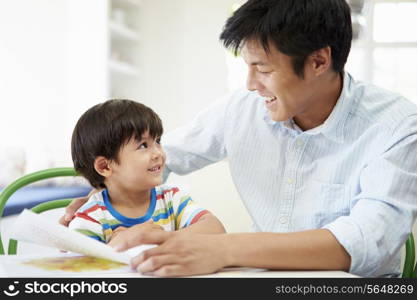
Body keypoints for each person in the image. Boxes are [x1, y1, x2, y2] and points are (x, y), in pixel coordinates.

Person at [61, 0, 417, 277]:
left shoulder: (395, 125)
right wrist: (106, 193)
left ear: (319, 61)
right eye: (246, 66)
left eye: (262, 69)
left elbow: (366, 240)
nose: (250, 84)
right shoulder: (243, 110)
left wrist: (222, 250)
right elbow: (163, 156)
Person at [68, 99, 225, 245]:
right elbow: (79, 267)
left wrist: (159, 238)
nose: (158, 153)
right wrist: (118, 245)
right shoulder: (90, 218)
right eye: (143, 145)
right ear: (105, 167)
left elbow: (216, 229)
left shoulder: (171, 199)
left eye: (157, 141)